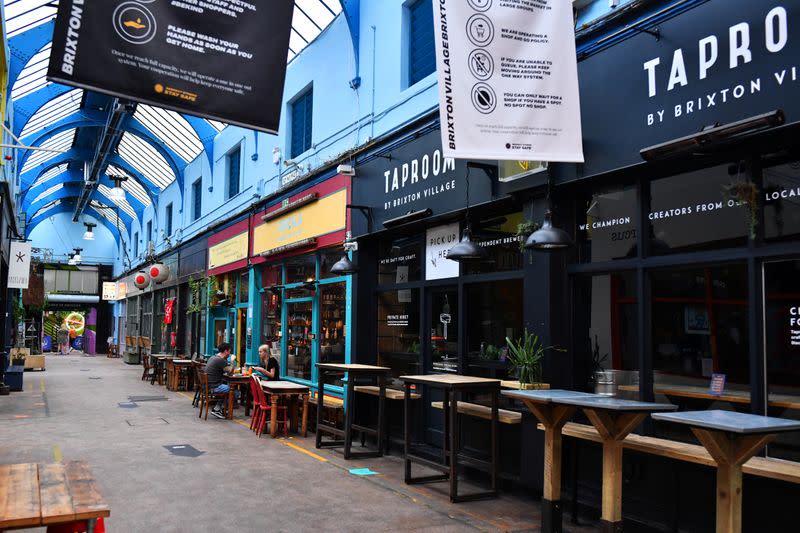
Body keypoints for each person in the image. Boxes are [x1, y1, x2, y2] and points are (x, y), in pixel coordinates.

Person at [205, 342, 234, 418]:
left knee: (227, 388)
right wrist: (231, 361)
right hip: (214, 387)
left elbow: (227, 372)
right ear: (226, 351)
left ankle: (217, 408)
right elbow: (230, 372)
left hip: (208, 386)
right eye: (229, 351)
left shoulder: (213, 357)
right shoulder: (220, 360)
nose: (230, 353)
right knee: (233, 391)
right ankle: (219, 409)